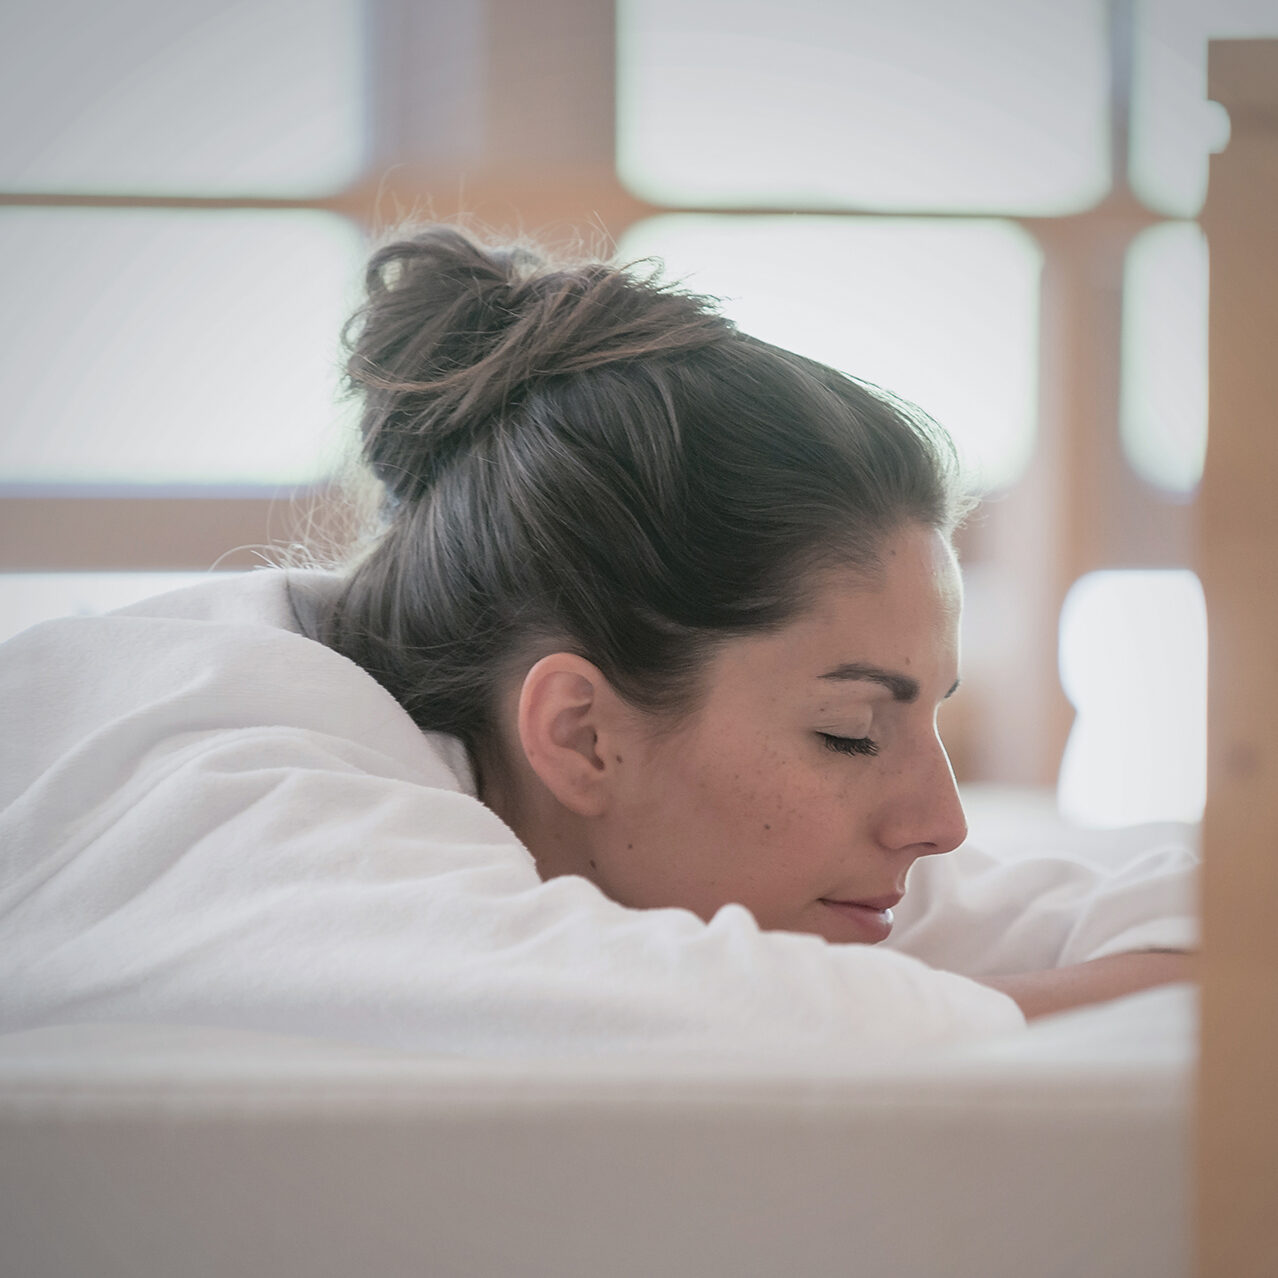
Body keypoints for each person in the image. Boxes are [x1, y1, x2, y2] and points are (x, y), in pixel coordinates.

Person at [0, 226, 1195, 1061]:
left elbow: (1193, 912)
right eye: (850, 733)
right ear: (579, 732)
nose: (940, 822)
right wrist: (1103, 999)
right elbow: (705, 1023)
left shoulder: (538, 766)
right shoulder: (221, 795)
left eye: (930, 715)